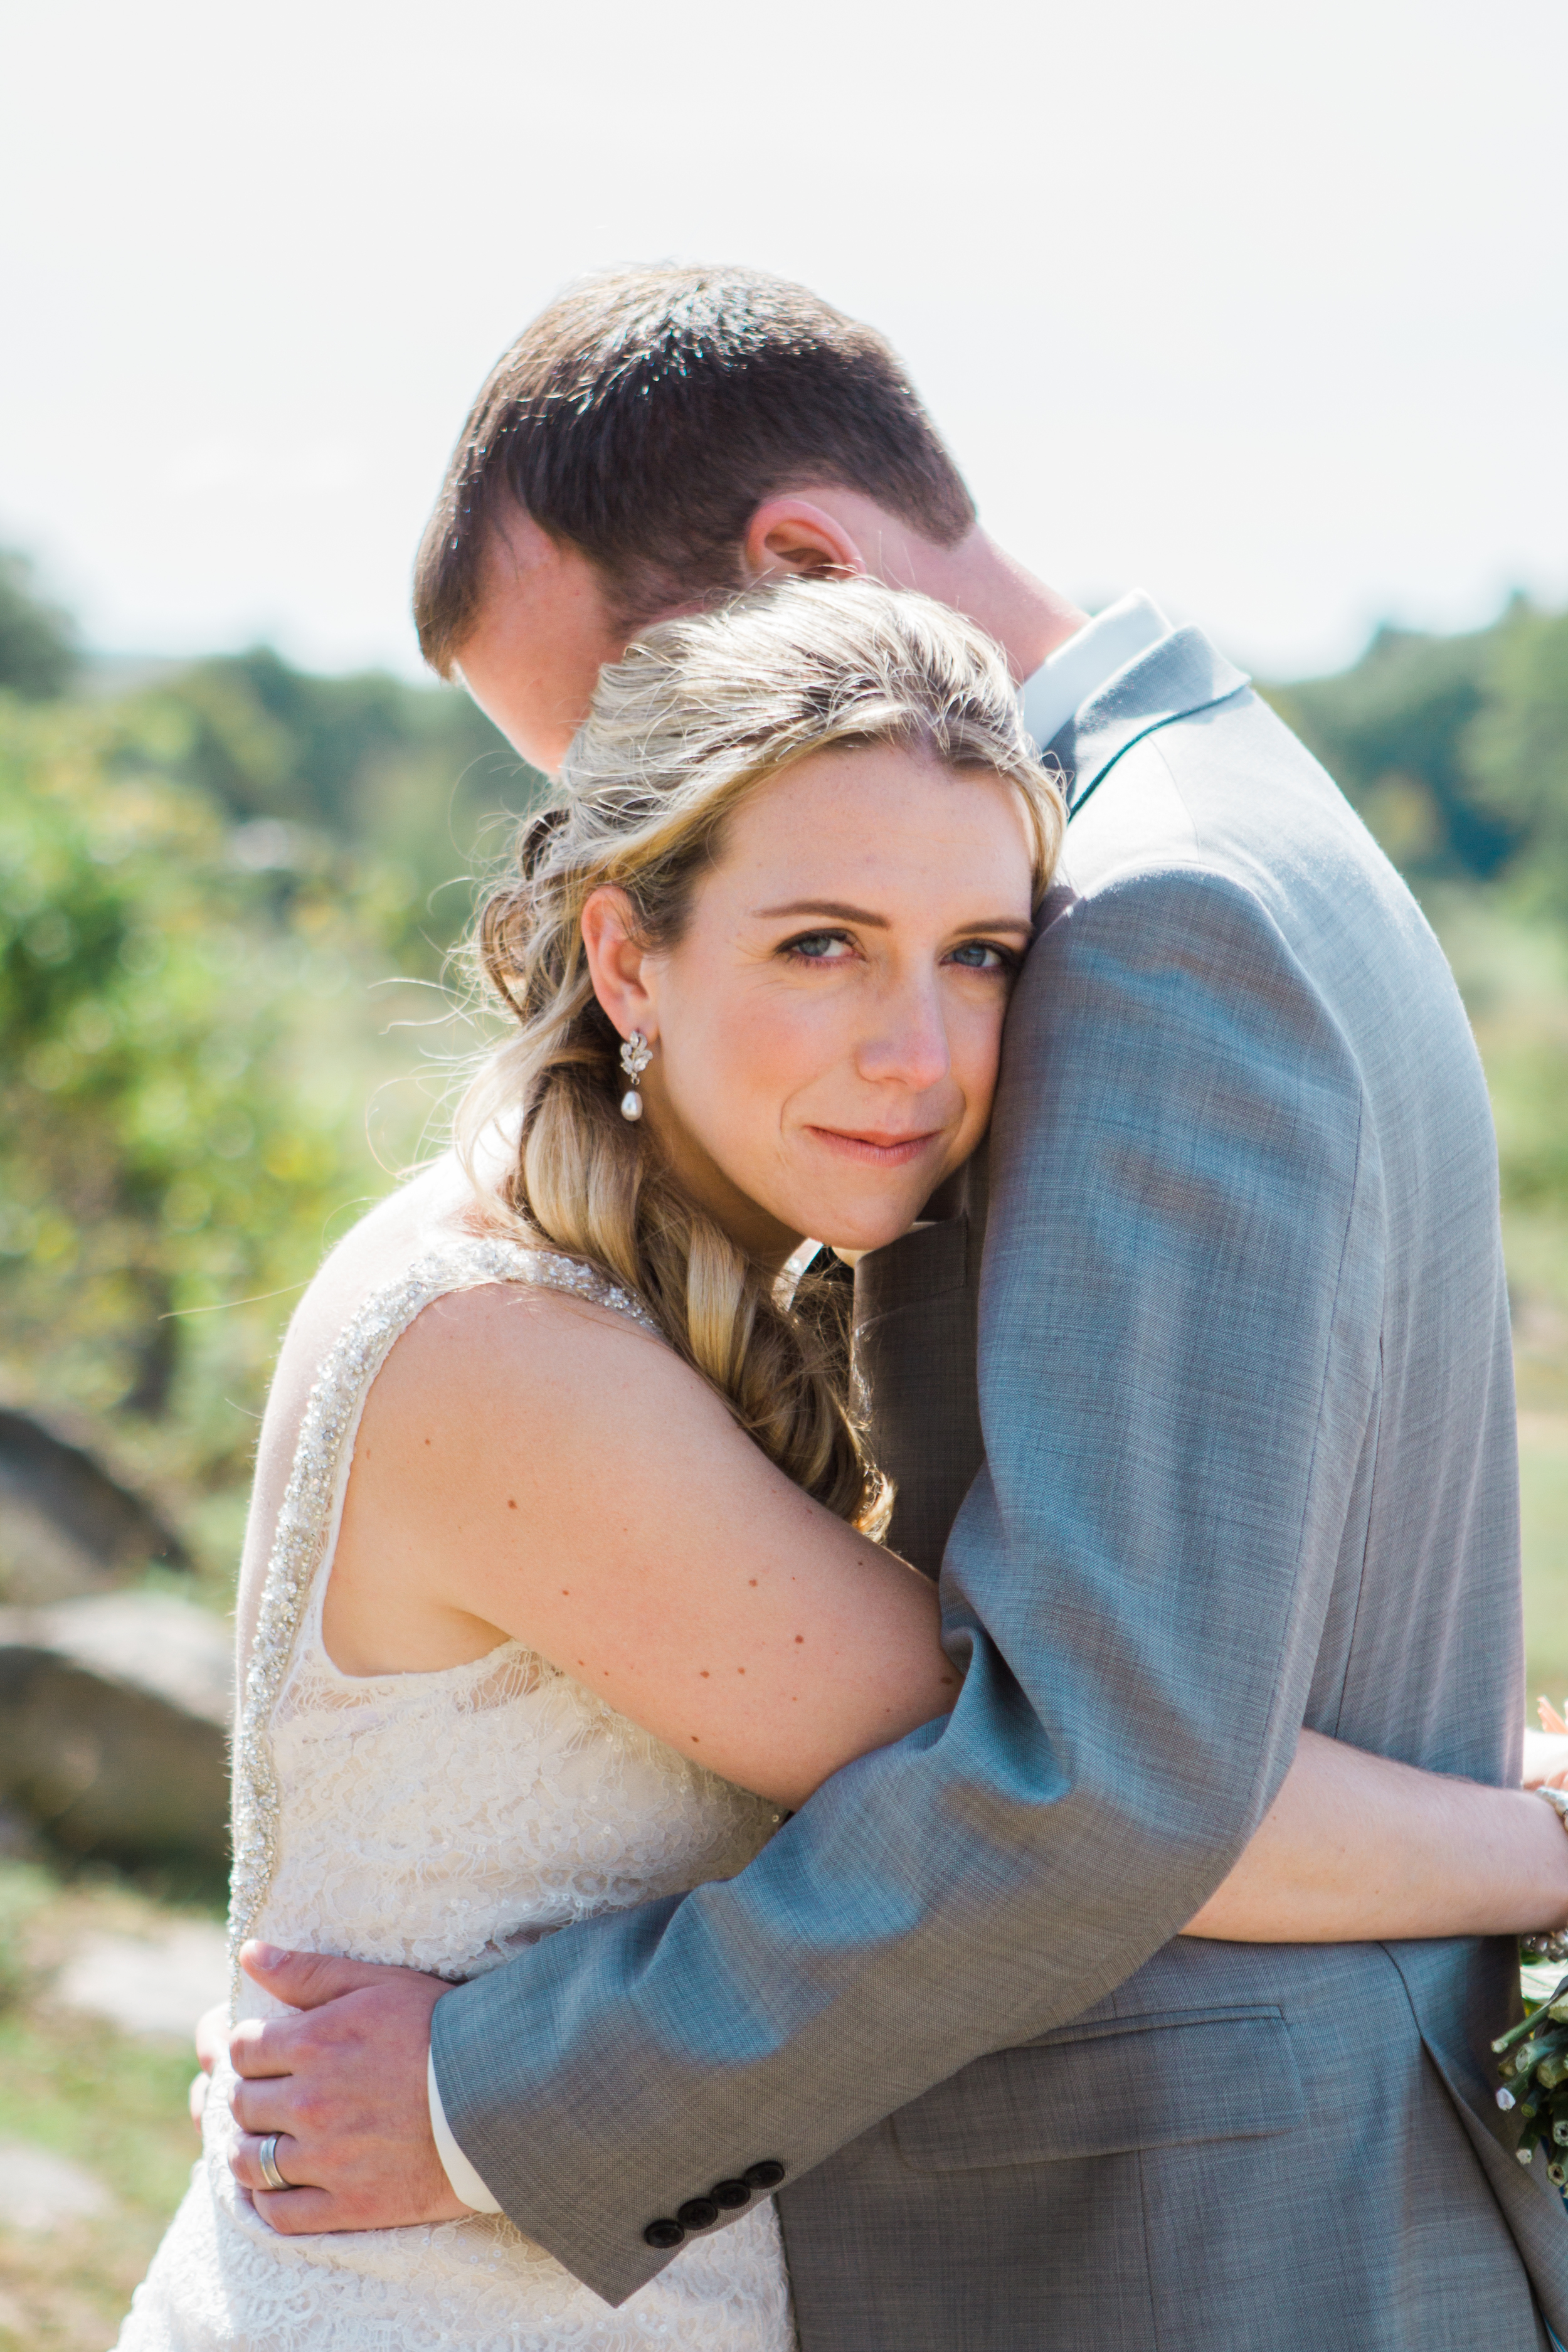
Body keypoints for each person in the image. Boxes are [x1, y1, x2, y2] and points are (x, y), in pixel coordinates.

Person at [177, 268, 1568, 2350]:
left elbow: (1100, 1758)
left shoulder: (1153, 912)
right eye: (807, 930)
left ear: (805, 573)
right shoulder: (522, 1331)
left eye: (968, 954)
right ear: (622, 947)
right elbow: (1097, 1752)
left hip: (1187, 2217)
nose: (915, 1046)